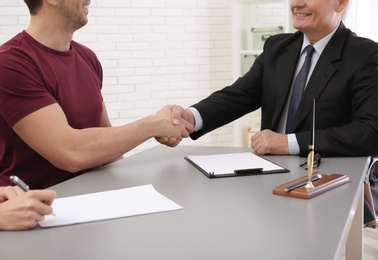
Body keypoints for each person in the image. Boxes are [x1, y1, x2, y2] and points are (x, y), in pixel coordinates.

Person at [0, 0, 193, 189]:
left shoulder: (87, 57)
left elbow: (107, 142)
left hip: (93, 199)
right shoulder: (11, 63)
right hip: (36, 208)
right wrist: (154, 125)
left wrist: (132, 193)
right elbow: (69, 152)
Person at [159, 0, 378, 158]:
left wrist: (287, 143)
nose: (297, 4)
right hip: (271, 175)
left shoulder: (366, 55)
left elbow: (370, 131)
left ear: (340, 3)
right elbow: (238, 96)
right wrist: (191, 117)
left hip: (329, 180)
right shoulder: (277, 47)